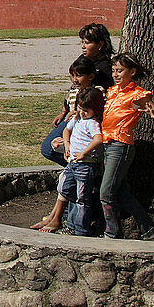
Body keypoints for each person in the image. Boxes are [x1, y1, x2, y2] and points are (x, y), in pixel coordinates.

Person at [100, 53, 154, 240]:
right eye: (113, 71)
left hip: (120, 145)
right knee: (121, 192)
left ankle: (112, 233)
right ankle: (150, 230)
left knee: (106, 192)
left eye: (120, 71)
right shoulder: (112, 91)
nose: (115, 74)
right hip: (106, 144)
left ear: (132, 71)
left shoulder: (137, 94)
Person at [31, 55, 97, 231]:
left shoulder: (94, 95)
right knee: (65, 179)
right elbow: (67, 107)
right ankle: (55, 217)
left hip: (84, 155)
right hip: (74, 150)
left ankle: (74, 227)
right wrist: (66, 139)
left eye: (79, 76)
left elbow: (95, 131)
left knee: (78, 193)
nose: (75, 80)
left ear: (91, 76)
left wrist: (75, 115)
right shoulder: (74, 93)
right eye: (72, 76)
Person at [51, 86, 105, 235]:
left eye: (86, 110)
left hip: (86, 164)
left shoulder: (93, 123)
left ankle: (80, 229)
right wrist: (67, 145)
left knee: (82, 198)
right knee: (65, 188)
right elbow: (66, 130)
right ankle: (77, 220)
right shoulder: (78, 119)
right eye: (80, 108)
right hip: (73, 163)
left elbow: (98, 139)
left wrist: (84, 152)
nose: (82, 112)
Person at [78, 22, 115, 89]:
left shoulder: (105, 68)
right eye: (82, 42)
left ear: (100, 44)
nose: (83, 46)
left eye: (87, 43)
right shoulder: (82, 59)